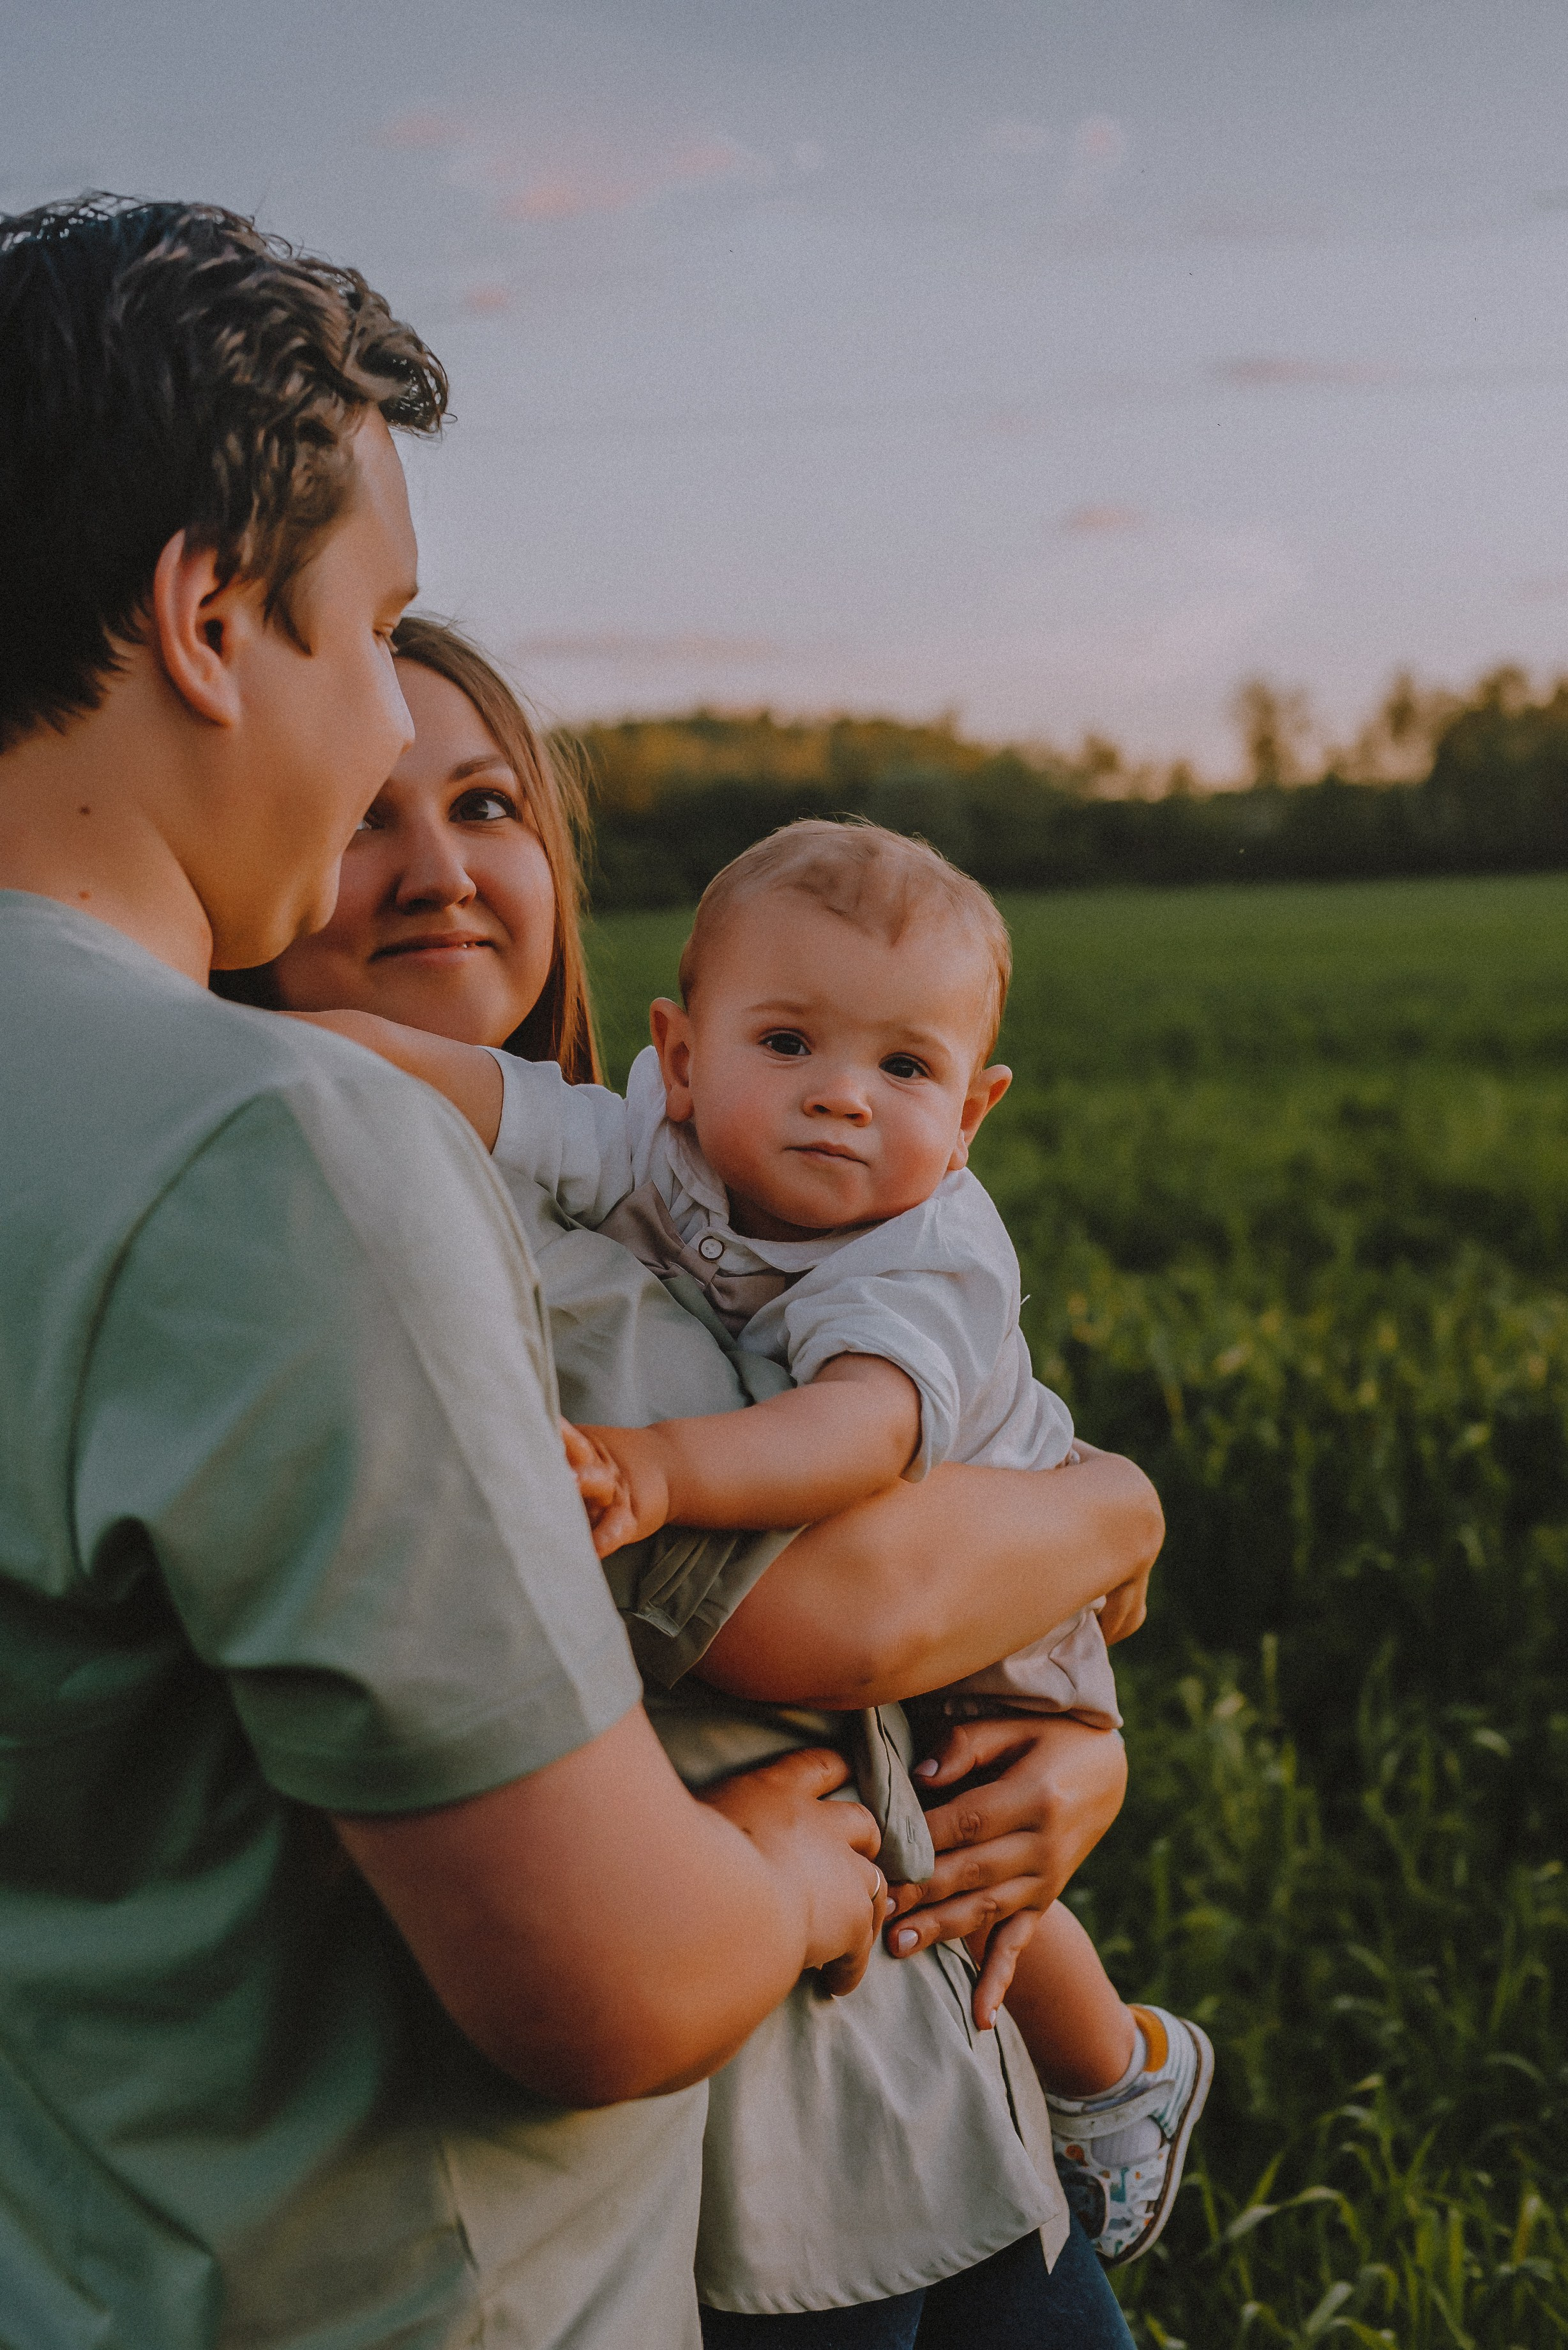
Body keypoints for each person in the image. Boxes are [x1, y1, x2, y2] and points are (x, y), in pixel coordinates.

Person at [0, 195, 896, 2350]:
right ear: (210, 620)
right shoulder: (270, 1146)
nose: (389, 716)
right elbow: (596, 1979)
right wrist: (786, 1878)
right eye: (372, 626)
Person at [260, 618, 1172, 2341]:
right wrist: (1110, 1515)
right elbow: (847, 1612)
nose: (438, 869)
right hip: (738, 2158)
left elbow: (903, 1545)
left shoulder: (644, 1173)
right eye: (365, 814)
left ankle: (1115, 2072)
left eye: (486, 804)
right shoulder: (390, 1215)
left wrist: (1099, 1572)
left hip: (926, 2095)